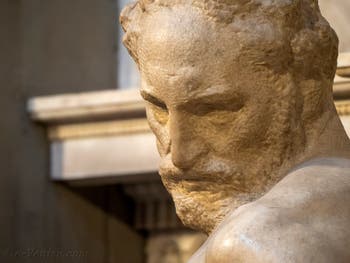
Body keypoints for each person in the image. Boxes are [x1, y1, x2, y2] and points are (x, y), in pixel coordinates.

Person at [120, 0, 350, 261]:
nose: (179, 156)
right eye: (159, 108)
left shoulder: (256, 241)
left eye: (214, 111)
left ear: (306, 90)